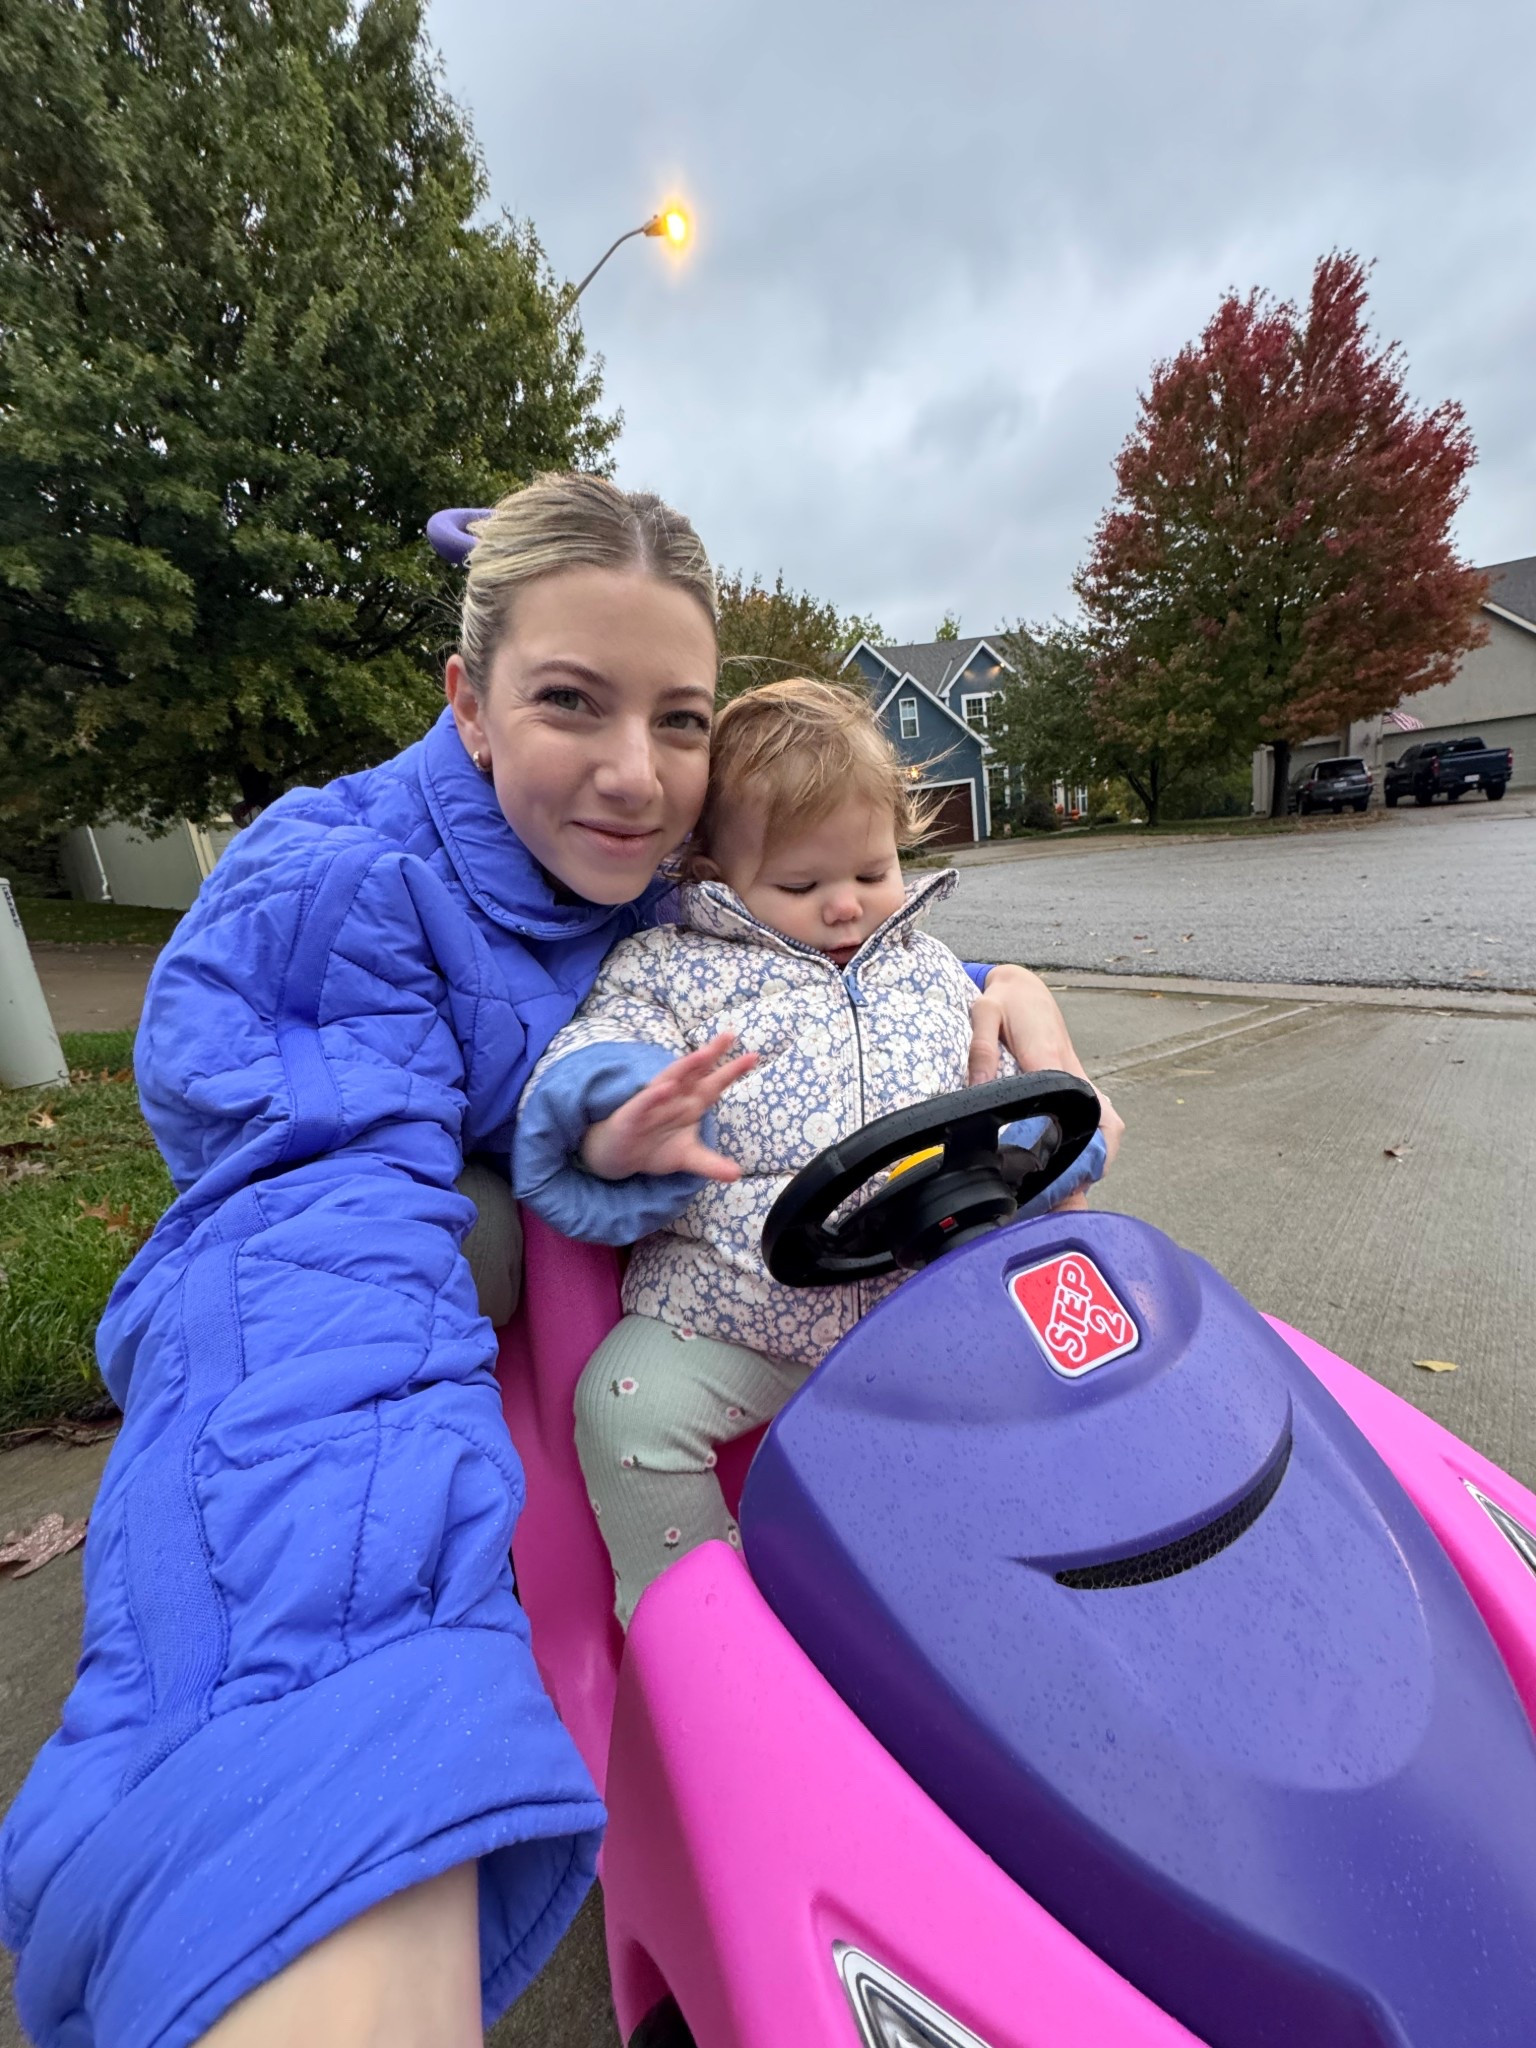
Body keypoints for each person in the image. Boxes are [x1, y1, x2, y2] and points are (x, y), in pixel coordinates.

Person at [0, 475, 1120, 2048]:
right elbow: (305, 1297)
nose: (633, 773)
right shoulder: (343, 894)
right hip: (546, 1341)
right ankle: (597, 1683)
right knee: (472, 1253)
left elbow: (844, 942)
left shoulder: (672, 863)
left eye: (678, 721)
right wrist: (317, 1763)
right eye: (567, 703)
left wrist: (1021, 997)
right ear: (466, 702)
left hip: (805, 1285)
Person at [513, 679, 1109, 1624]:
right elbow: (598, 1050)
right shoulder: (672, 972)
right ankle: (692, 1619)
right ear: (712, 873)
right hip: (742, 1308)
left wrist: (1068, 1140)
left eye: (872, 872)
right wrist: (618, 1120)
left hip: (928, 1301)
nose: (846, 909)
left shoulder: (925, 969)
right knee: (623, 1407)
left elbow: (1009, 1105)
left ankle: (1015, 1586)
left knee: (1075, 1376)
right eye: (801, 885)